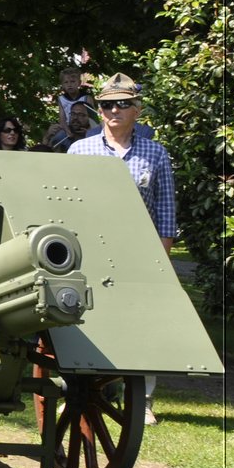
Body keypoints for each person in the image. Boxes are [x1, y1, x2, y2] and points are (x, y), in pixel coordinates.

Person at [67, 72, 176, 424]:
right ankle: (83, 386)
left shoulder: (155, 153)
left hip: (136, 256)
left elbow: (166, 212)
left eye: (123, 104)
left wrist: (159, 264)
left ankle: (141, 399)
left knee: (141, 327)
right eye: (107, 105)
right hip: (86, 253)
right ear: (99, 111)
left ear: (137, 110)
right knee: (86, 322)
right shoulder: (79, 150)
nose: (114, 110)